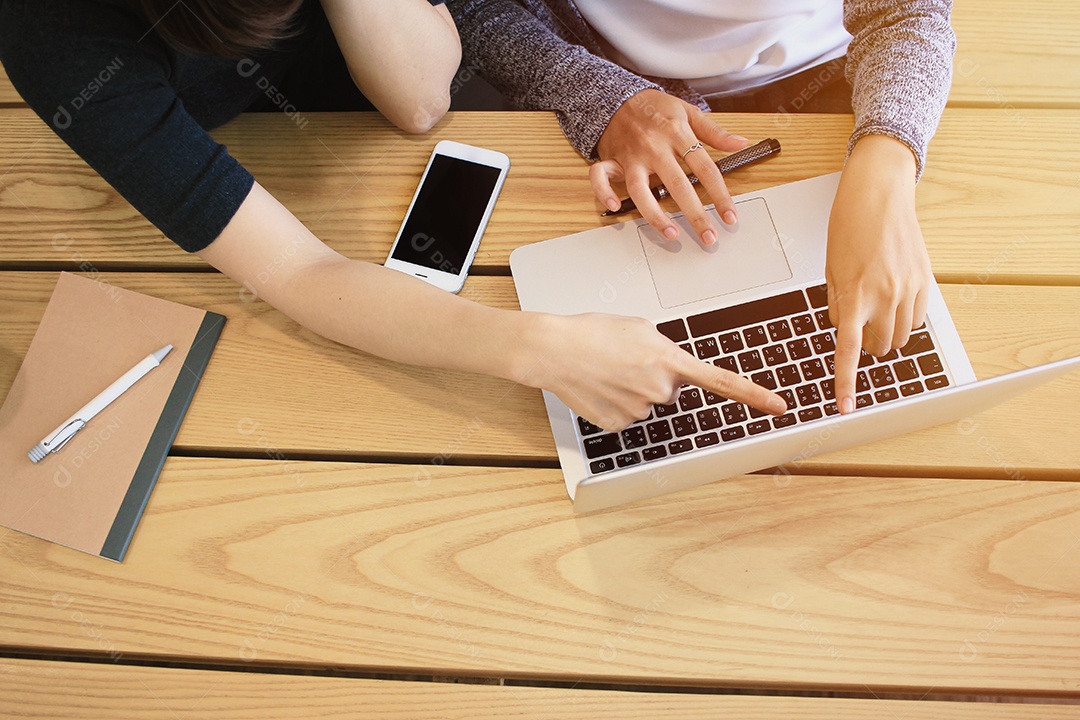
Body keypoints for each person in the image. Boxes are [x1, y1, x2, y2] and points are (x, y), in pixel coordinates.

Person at [0, 0, 788, 433]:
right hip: (251, 163)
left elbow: (419, 99)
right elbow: (299, 272)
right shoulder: (56, 33)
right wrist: (537, 347)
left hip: (380, 120)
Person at [447, 0, 956, 416]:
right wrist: (599, 96)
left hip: (850, 79)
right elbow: (468, 7)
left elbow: (907, 13)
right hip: (605, 82)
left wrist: (886, 164)